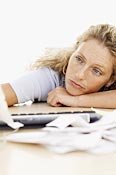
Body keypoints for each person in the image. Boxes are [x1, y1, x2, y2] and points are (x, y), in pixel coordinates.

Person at [1, 24, 116, 108]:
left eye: (96, 71)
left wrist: (75, 101)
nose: (80, 75)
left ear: (110, 80)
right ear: (72, 53)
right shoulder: (51, 77)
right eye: (79, 59)